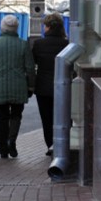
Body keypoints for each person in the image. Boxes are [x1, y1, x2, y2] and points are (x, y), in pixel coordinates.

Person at [0, 15, 35, 159]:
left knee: (3, 117)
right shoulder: (23, 45)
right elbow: (30, 68)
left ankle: (3, 148)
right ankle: (12, 140)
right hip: (19, 87)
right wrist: (31, 87)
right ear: (16, 28)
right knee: (16, 116)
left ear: (2, 27)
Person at [32, 13, 69, 156]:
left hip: (43, 88)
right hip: (63, 87)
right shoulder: (67, 44)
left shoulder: (39, 44)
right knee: (63, 116)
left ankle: (50, 145)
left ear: (47, 27)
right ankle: (63, 144)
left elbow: (33, 62)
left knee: (46, 118)